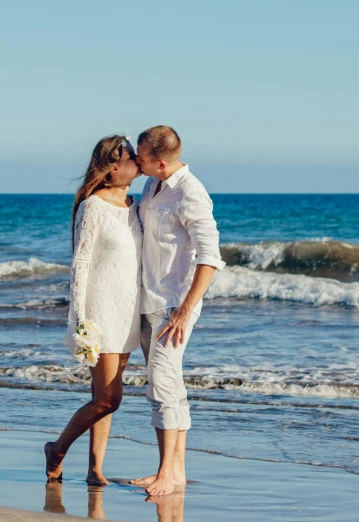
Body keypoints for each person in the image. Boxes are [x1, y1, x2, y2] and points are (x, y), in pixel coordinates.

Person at [129, 125, 225, 496]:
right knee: (167, 387)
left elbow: (210, 257)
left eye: (142, 157)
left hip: (174, 305)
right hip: (149, 298)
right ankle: (175, 471)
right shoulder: (152, 184)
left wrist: (186, 310)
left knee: (163, 384)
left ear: (162, 162)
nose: (137, 162)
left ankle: (167, 473)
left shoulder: (191, 193)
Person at [45, 134, 143, 486]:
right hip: (100, 312)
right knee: (109, 399)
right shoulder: (93, 207)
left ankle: (94, 469)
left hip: (129, 311)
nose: (138, 159)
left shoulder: (138, 205)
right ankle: (57, 448)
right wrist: (79, 319)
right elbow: (80, 264)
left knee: (103, 398)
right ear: (112, 167)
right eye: (131, 155)